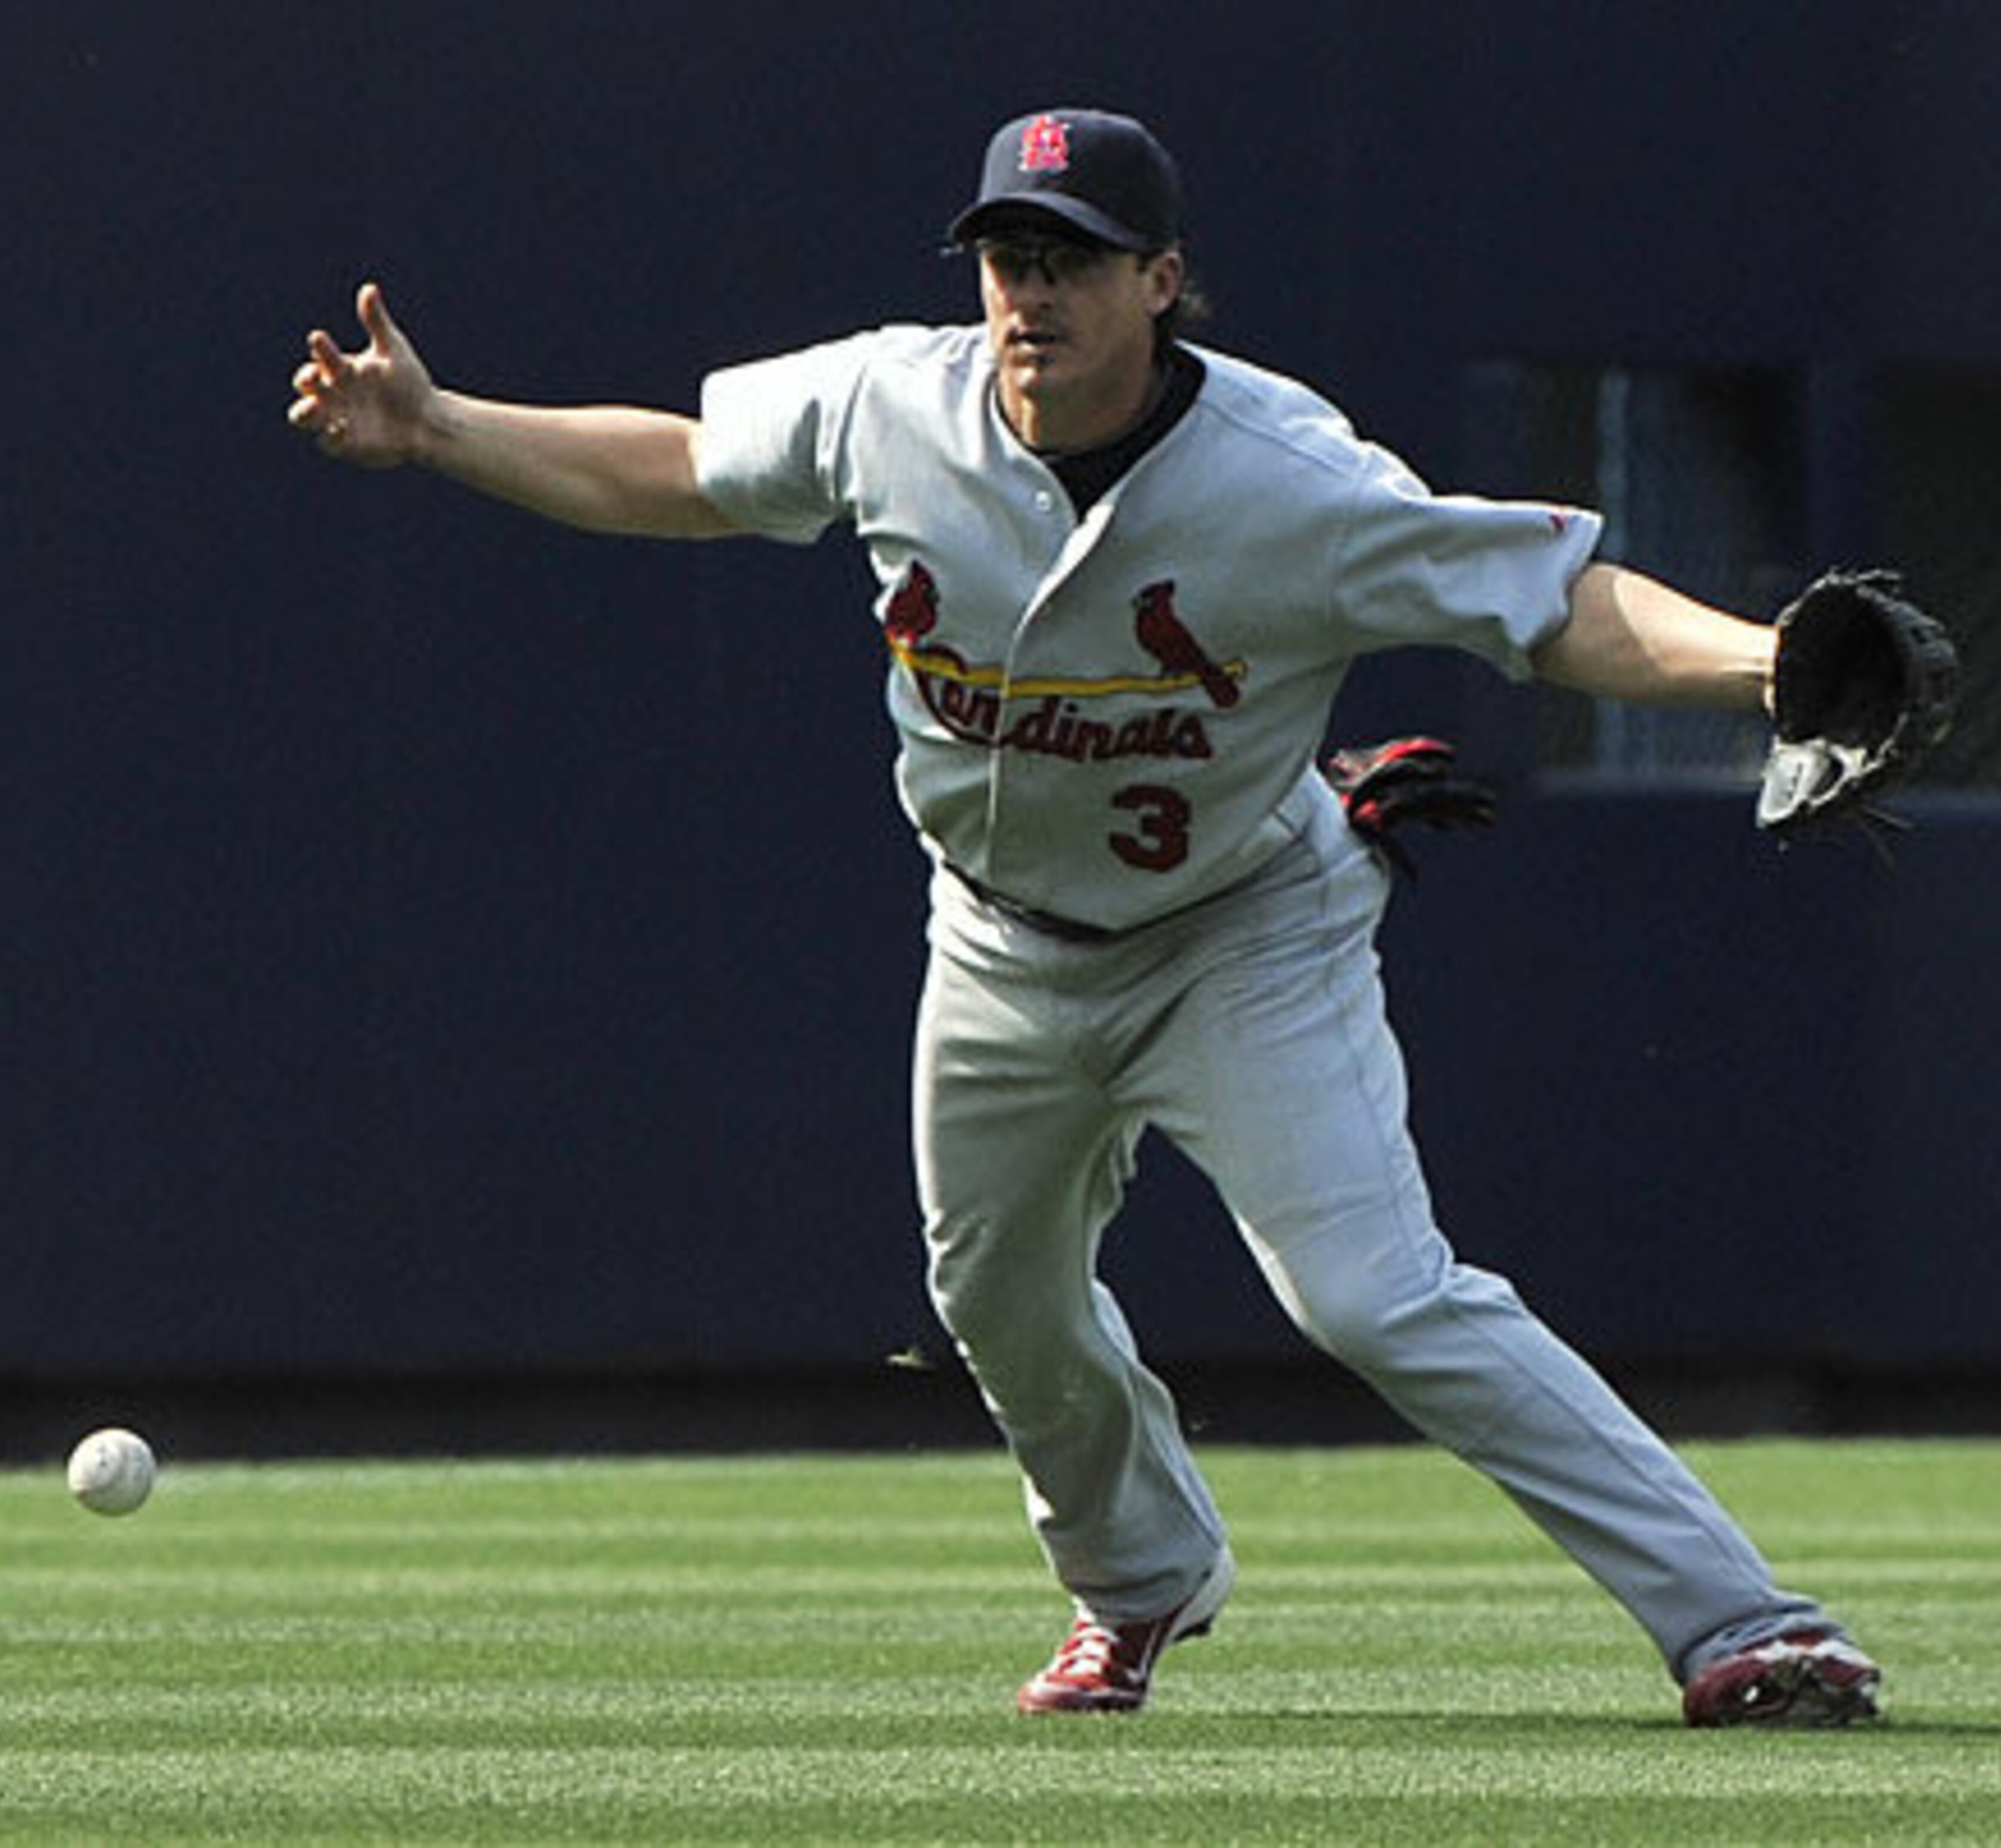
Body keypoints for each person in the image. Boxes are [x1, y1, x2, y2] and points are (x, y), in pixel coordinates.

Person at [288, 106, 1882, 1728]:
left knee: (1375, 1297)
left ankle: (1748, 1625)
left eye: (1069, 260)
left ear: (1163, 281)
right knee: (996, 1300)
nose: (1026, 293)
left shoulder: (1289, 476)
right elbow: (690, 469)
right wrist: (441, 429)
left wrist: (1765, 667)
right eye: (1004, 256)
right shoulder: (894, 404)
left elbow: (1548, 600)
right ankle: (1137, 1577)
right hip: (994, 940)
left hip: (1242, 927)